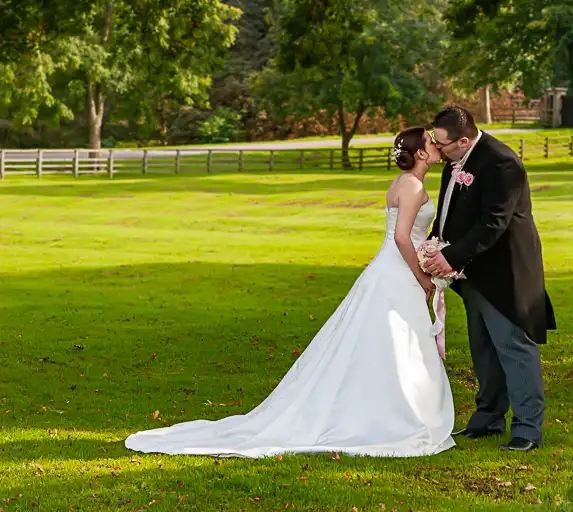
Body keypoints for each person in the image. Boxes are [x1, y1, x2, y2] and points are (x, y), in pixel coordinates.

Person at [125, 127, 455, 459]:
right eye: (431, 142)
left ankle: (393, 405)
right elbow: (401, 237)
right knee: (393, 340)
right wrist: (422, 275)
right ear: (422, 154)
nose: (437, 145)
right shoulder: (411, 186)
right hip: (398, 269)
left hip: (389, 268)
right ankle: (395, 414)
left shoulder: (403, 184)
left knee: (387, 341)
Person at [424, 106, 556, 452]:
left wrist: (450, 256)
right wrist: (435, 244)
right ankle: (488, 417)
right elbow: (451, 210)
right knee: (483, 348)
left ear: (463, 139)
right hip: (472, 273)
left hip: (505, 271)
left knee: (513, 346)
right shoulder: (456, 160)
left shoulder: (501, 162)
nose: (437, 151)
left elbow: (494, 221)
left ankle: (527, 428)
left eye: (442, 144)